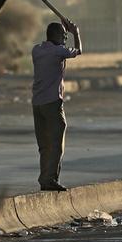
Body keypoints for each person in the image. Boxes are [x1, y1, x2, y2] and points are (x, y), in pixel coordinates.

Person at [30, 19, 82, 191]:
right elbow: (78, 51)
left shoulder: (36, 50)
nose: (65, 39)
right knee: (56, 142)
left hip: (37, 104)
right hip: (52, 103)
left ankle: (44, 179)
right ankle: (50, 179)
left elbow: (60, 49)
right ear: (57, 36)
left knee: (44, 144)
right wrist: (75, 32)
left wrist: (64, 31)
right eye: (63, 36)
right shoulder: (57, 51)